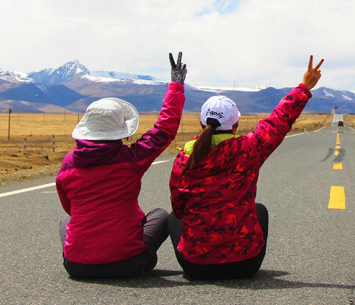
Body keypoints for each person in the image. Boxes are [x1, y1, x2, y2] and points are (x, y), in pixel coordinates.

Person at [168, 55, 324, 280]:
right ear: (236, 125)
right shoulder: (248, 149)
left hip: (195, 266)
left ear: (202, 124)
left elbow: (179, 208)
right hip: (245, 264)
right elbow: (279, 120)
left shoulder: (185, 158)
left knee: (173, 217)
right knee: (259, 210)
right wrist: (304, 87)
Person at [56, 52, 187, 279]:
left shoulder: (69, 163)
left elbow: (70, 207)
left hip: (76, 267)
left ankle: (81, 251)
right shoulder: (130, 159)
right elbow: (164, 130)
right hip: (128, 264)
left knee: (67, 220)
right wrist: (176, 86)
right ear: (119, 132)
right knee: (161, 215)